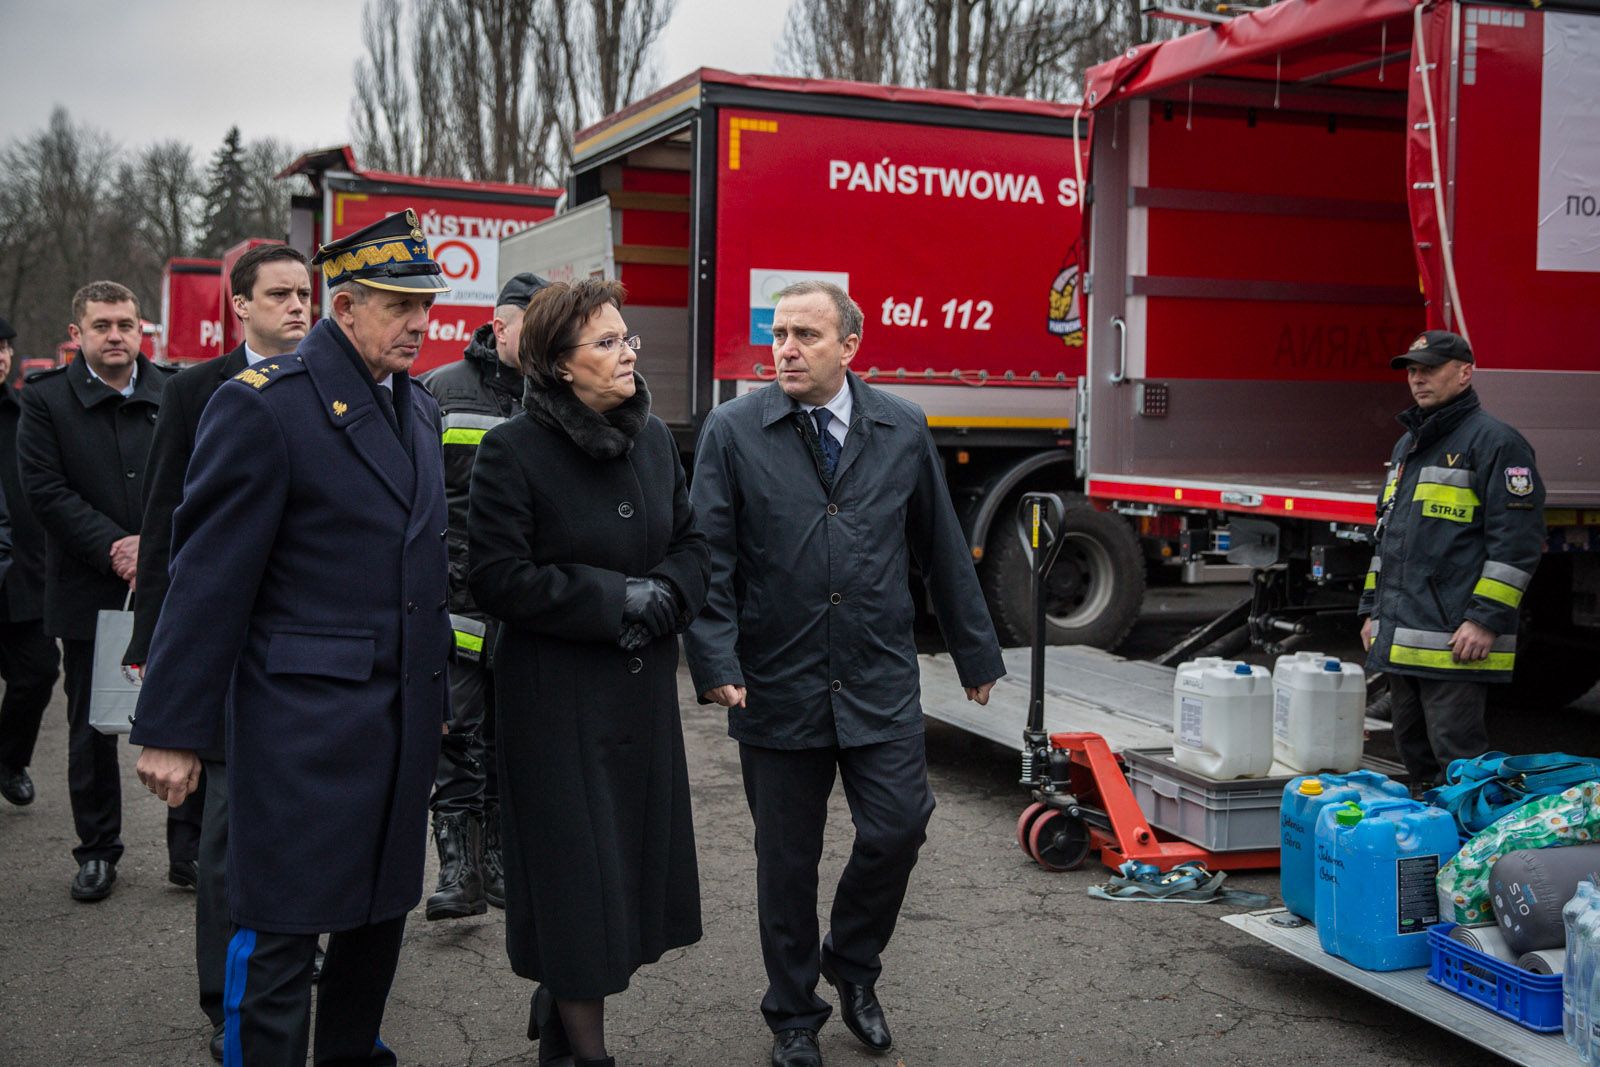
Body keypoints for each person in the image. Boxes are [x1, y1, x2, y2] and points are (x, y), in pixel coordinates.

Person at [129, 209, 452, 1067]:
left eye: (425, 304)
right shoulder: (264, 406)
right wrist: (172, 728)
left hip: (397, 726)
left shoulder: (418, 409)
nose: (419, 322)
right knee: (279, 935)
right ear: (344, 308)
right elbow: (208, 579)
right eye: (398, 305)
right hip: (301, 730)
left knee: (376, 927)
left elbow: (422, 575)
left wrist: (438, 701)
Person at [684, 280, 1005, 1067]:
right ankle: (793, 1015)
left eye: (806, 335)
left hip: (876, 674)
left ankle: (853, 960)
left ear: (850, 346)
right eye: (779, 334)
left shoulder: (901, 426)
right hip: (775, 681)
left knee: (900, 824)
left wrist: (975, 650)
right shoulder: (733, 430)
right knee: (786, 862)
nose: (786, 349)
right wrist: (716, 658)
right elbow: (707, 558)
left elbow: (939, 543)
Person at [468, 278, 708, 1067]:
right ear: (559, 364)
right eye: (606, 342)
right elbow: (496, 577)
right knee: (577, 889)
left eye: (626, 336)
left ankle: (560, 1009)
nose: (628, 351)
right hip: (555, 707)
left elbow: (693, 543)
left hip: (640, 702)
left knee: (618, 882)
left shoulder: (652, 438)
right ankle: (585, 1054)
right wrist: (613, 599)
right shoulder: (512, 449)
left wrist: (668, 592)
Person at [125, 243, 312, 1063]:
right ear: (239, 305)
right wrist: (153, 647)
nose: (298, 307)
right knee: (227, 839)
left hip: (309, 658)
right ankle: (224, 1003)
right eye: (279, 294)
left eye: (305, 293)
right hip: (228, 655)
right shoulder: (196, 391)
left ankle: (290, 968)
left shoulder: (333, 386)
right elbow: (169, 530)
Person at [15, 281, 192, 901]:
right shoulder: (46, 401)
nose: (115, 336)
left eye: (125, 324)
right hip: (87, 588)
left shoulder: (176, 391)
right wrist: (116, 546)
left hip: (171, 582)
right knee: (92, 727)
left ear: (142, 329)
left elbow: (199, 476)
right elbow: (44, 490)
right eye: (102, 326)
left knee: (184, 713)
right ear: (77, 334)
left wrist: (155, 545)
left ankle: (187, 850)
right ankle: (96, 851)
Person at [1359, 329, 1545, 789]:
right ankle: (1428, 833)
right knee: (1415, 760)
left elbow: (1517, 544)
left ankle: (1465, 836)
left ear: (1465, 373)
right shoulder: (1408, 446)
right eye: (1412, 370)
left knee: (1460, 765)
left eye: (1430, 369)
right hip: (1402, 634)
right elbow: (1387, 539)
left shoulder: (1497, 443)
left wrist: (1484, 620)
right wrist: (1371, 612)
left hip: (1456, 640)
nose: (1417, 379)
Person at [416, 272, 547, 921]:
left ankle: (496, 857)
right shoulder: (439, 391)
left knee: (511, 734)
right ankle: (457, 868)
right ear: (500, 327)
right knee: (456, 731)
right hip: (455, 599)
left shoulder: (556, 394)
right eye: (534, 326)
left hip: (524, 601)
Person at [0, 315, 63, 808]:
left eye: (4, 348)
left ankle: (9, 759)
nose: (1, 357)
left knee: (39, 671)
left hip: (21, 575)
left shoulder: (23, 413)